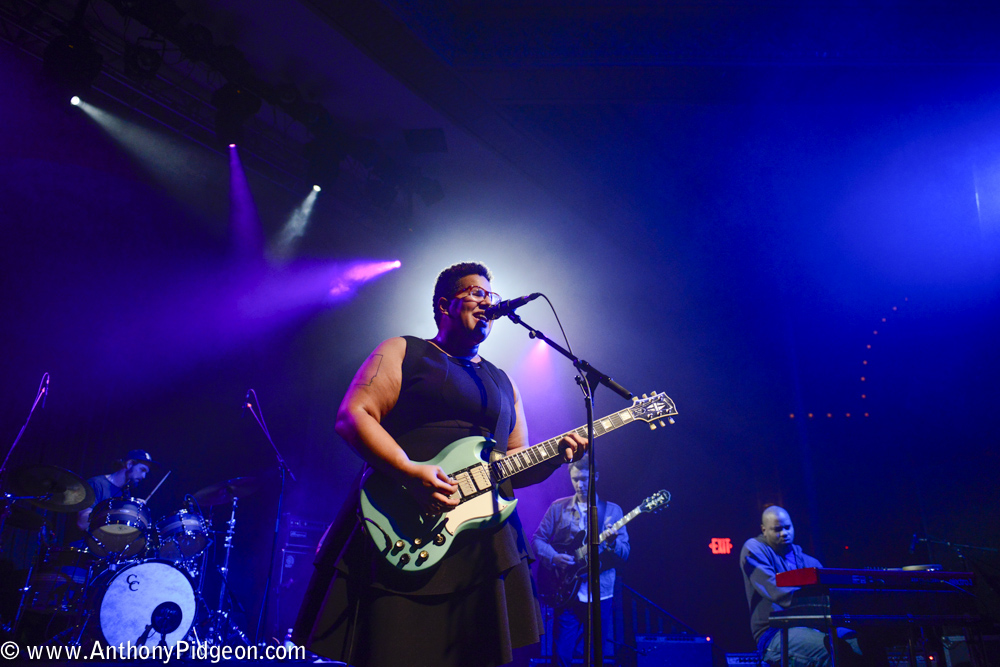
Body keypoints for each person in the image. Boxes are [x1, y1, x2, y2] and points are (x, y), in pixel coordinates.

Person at [293, 261, 588, 667]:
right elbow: (354, 415)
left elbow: (513, 465)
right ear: (444, 305)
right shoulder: (406, 351)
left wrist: (555, 456)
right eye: (476, 293)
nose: (488, 301)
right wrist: (409, 471)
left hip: (481, 543)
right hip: (403, 521)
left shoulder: (504, 382)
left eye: (491, 295)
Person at [532, 458, 629, 667]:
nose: (579, 485)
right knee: (561, 654)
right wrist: (554, 557)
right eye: (575, 479)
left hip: (601, 593)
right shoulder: (558, 508)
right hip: (566, 591)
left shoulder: (612, 511)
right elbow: (538, 539)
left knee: (596, 655)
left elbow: (625, 554)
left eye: (584, 479)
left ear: (596, 477)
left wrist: (612, 543)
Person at [740, 506, 862, 666]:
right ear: (764, 530)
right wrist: (820, 605)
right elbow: (776, 591)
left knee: (862, 645)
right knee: (835, 652)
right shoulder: (754, 548)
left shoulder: (810, 562)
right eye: (777, 529)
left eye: (787, 527)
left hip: (816, 627)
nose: (784, 533)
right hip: (774, 632)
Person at [75, 449, 156, 532]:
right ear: (129, 464)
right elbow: (82, 523)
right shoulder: (96, 484)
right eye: (142, 470)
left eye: (146, 473)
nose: (144, 476)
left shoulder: (126, 492)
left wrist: (133, 508)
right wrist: (118, 511)